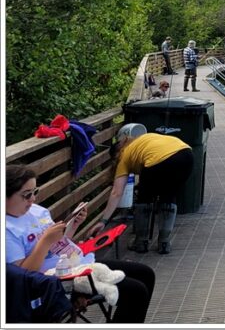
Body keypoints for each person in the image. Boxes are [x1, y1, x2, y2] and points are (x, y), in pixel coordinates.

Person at [6, 164, 156, 323]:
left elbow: (59, 245)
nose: (33, 199)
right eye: (26, 195)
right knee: (136, 291)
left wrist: (73, 225)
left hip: (72, 263)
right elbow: (22, 278)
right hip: (53, 282)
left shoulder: (36, 210)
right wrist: (45, 241)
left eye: (34, 192)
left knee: (145, 273)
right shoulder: (7, 229)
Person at [88, 123, 194, 255]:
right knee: (169, 196)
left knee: (144, 197)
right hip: (186, 155)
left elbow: (116, 192)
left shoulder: (123, 156)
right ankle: (164, 242)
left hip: (158, 160)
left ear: (116, 155)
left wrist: (103, 221)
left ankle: (141, 242)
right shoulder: (141, 141)